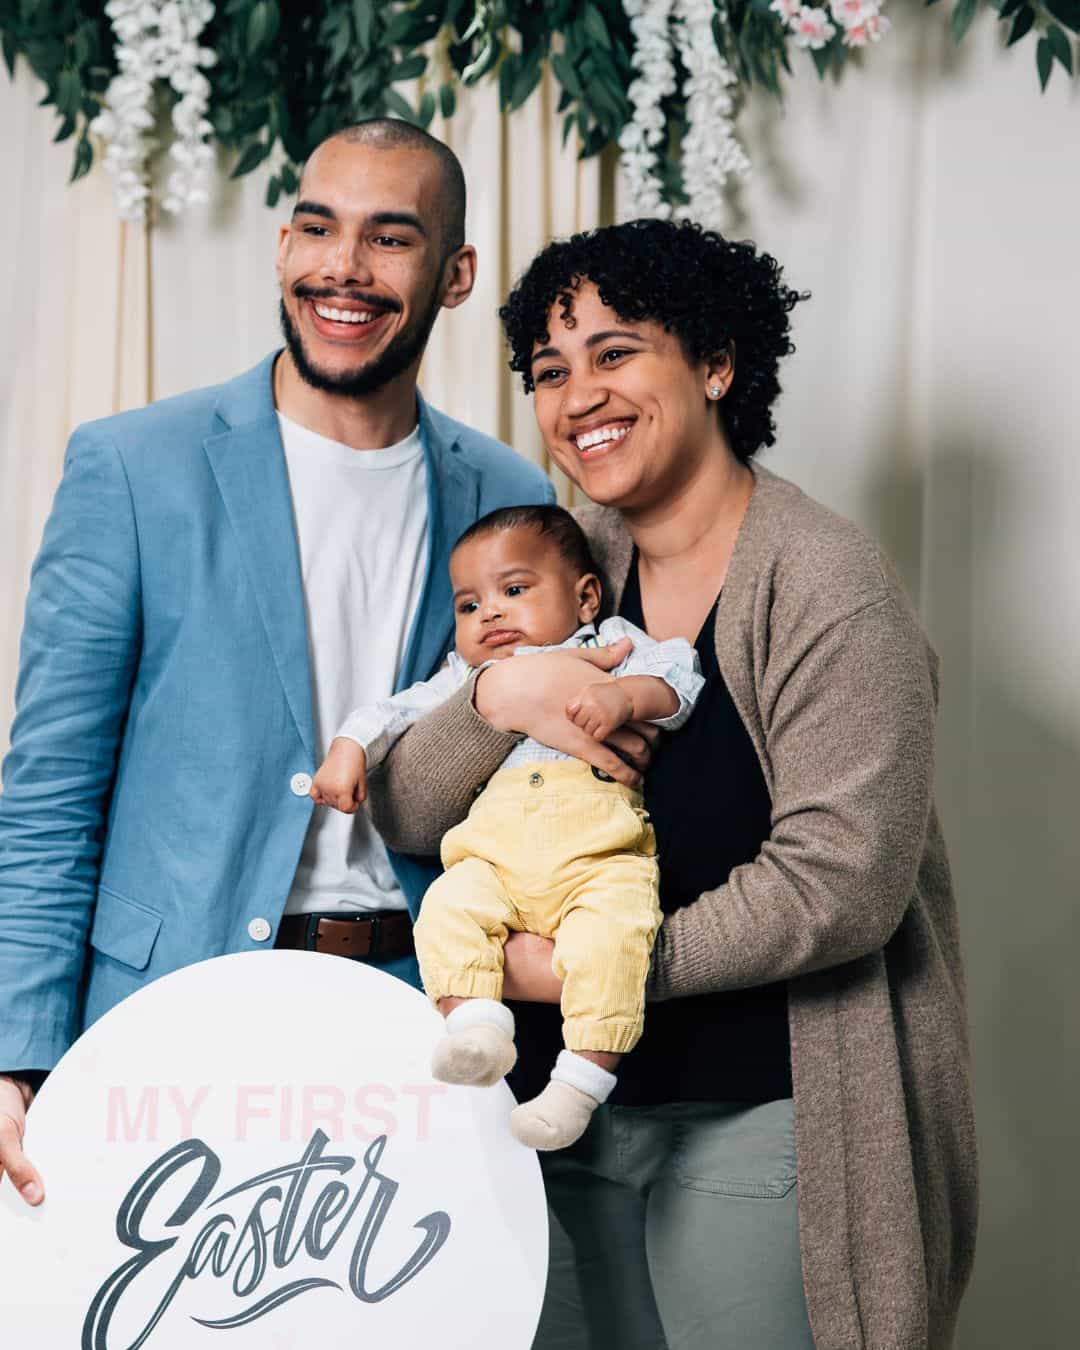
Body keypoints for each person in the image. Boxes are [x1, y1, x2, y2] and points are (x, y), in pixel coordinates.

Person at [0, 119, 640, 1213]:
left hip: (426, 1012)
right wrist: (18, 1051)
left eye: (390, 238)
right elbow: (49, 789)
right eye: (316, 228)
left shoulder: (510, 497)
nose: (342, 266)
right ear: (283, 246)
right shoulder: (133, 466)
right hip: (169, 1009)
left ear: (454, 276)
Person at [365, 219, 979, 1349]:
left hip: (760, 1119)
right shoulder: (557, 568)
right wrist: (502, 694)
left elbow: (841, 885)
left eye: (615, 353)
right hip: (549, 1129)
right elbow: (403, 805)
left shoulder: (826, 585)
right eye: (551, 370)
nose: (578, 396)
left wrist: (579, 971)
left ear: (716, 364)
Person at [310, 504, 702, 1150]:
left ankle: (579, 1083)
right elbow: (395, 712)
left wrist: (626, 696)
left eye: (513, 591)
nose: (489, 614)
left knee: (613, 942)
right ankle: (477, 1028)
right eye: (469, 605)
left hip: (599, 860)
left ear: (585, 598)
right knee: (445, 909)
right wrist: (349, 749)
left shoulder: (608, 646)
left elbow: (679, 675)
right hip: (495, 865)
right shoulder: (467, 677)